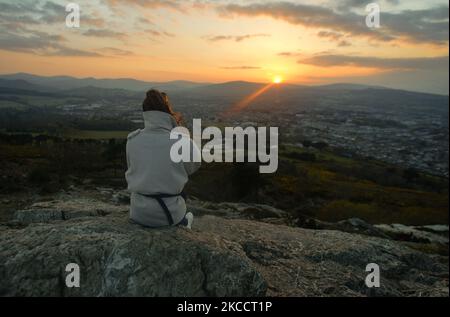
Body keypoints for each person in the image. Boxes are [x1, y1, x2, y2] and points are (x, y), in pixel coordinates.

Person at [125, 89, 201, 229]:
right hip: (168, 215)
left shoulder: (132, 140)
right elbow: (193, 167)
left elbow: (134, 168)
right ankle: (184, 223)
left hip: (138, 212)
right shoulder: (181, 140)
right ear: (168, 112)